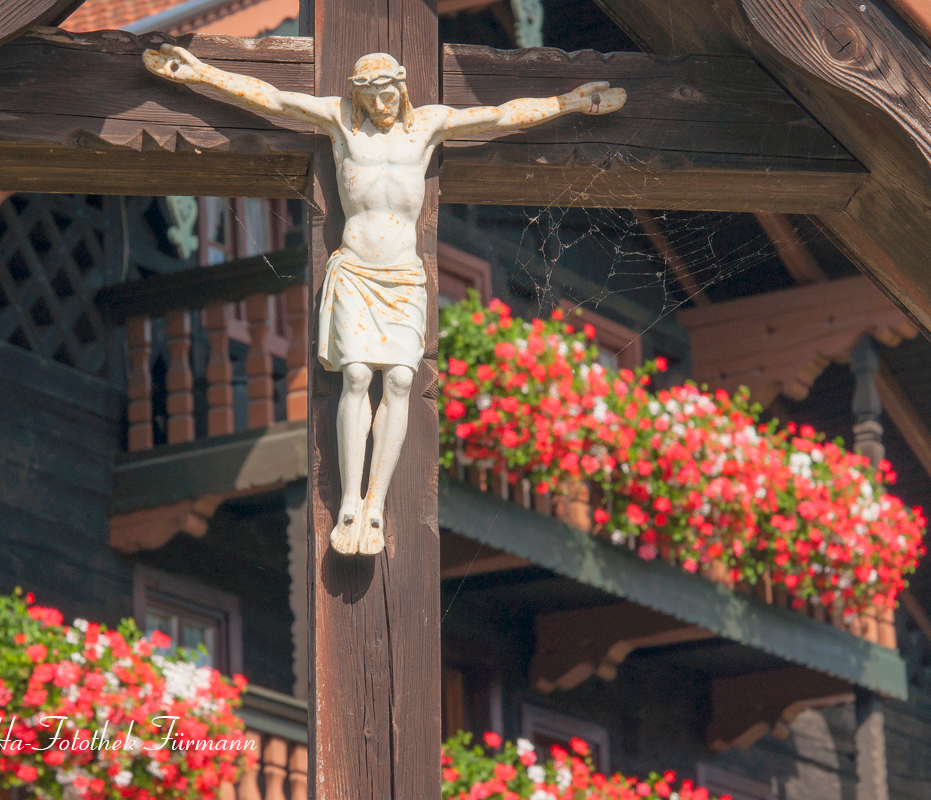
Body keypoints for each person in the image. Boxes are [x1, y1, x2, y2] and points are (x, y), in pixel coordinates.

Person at [143, 45, 626, 555]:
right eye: (370, 97)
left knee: (399, 379)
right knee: (355, 375)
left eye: (388, 94)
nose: (381, 105)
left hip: (402, 276)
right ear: (358, 97)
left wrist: (571, 102)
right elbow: (274, 100)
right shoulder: (341, 123)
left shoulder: (427, 127)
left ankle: (375, 503)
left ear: (402, 88)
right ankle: (350, 500)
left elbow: (500, 115)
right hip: (356, 270)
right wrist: (201, 73)